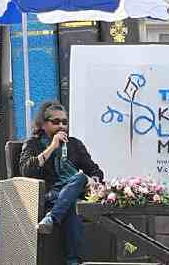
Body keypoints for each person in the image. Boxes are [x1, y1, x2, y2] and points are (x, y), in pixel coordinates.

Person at [18, 101, 104, 265]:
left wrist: (92, 181)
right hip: (50, 194)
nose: (61, 126)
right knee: (72, 206)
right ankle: (73, 261)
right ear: (43, 124)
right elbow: (26, 171)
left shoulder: (74, 144)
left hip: (75, 191)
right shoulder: (33, 144)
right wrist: (52, 147)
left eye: (64, 122)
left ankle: (51, 218)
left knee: (79, 178)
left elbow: (96, 171)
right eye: (56, 122)